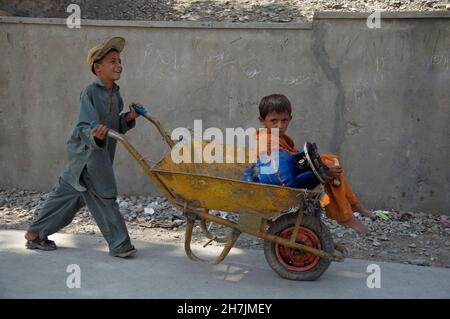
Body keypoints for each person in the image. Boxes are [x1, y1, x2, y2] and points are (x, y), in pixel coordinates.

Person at [24, 36, 142, 257]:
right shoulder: (90, 92)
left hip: (92, 155)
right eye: (112, 61)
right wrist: (94, 135)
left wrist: (128, 117)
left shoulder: (115, 95)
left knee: (68, 195)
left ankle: (35, 232)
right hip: (89, 155)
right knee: (105, 196)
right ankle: (120, 245)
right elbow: (84, 126)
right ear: (97, 68)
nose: (119, 65)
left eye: (119, 61)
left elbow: (113, 125)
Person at [252, 94, 374, 235]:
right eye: (274, 121)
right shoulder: (266, 141)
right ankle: (346, 216)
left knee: (330, 160)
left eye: (284, 120)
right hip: (280, 182)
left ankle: (353, 205)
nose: (280, 126)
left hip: (287, 176)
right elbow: (284, 168)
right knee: (327, 168)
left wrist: (320, 164)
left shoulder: (279, 137)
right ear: (262, 121)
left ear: (290, 119)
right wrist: (322, 169)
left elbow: (295, 158)